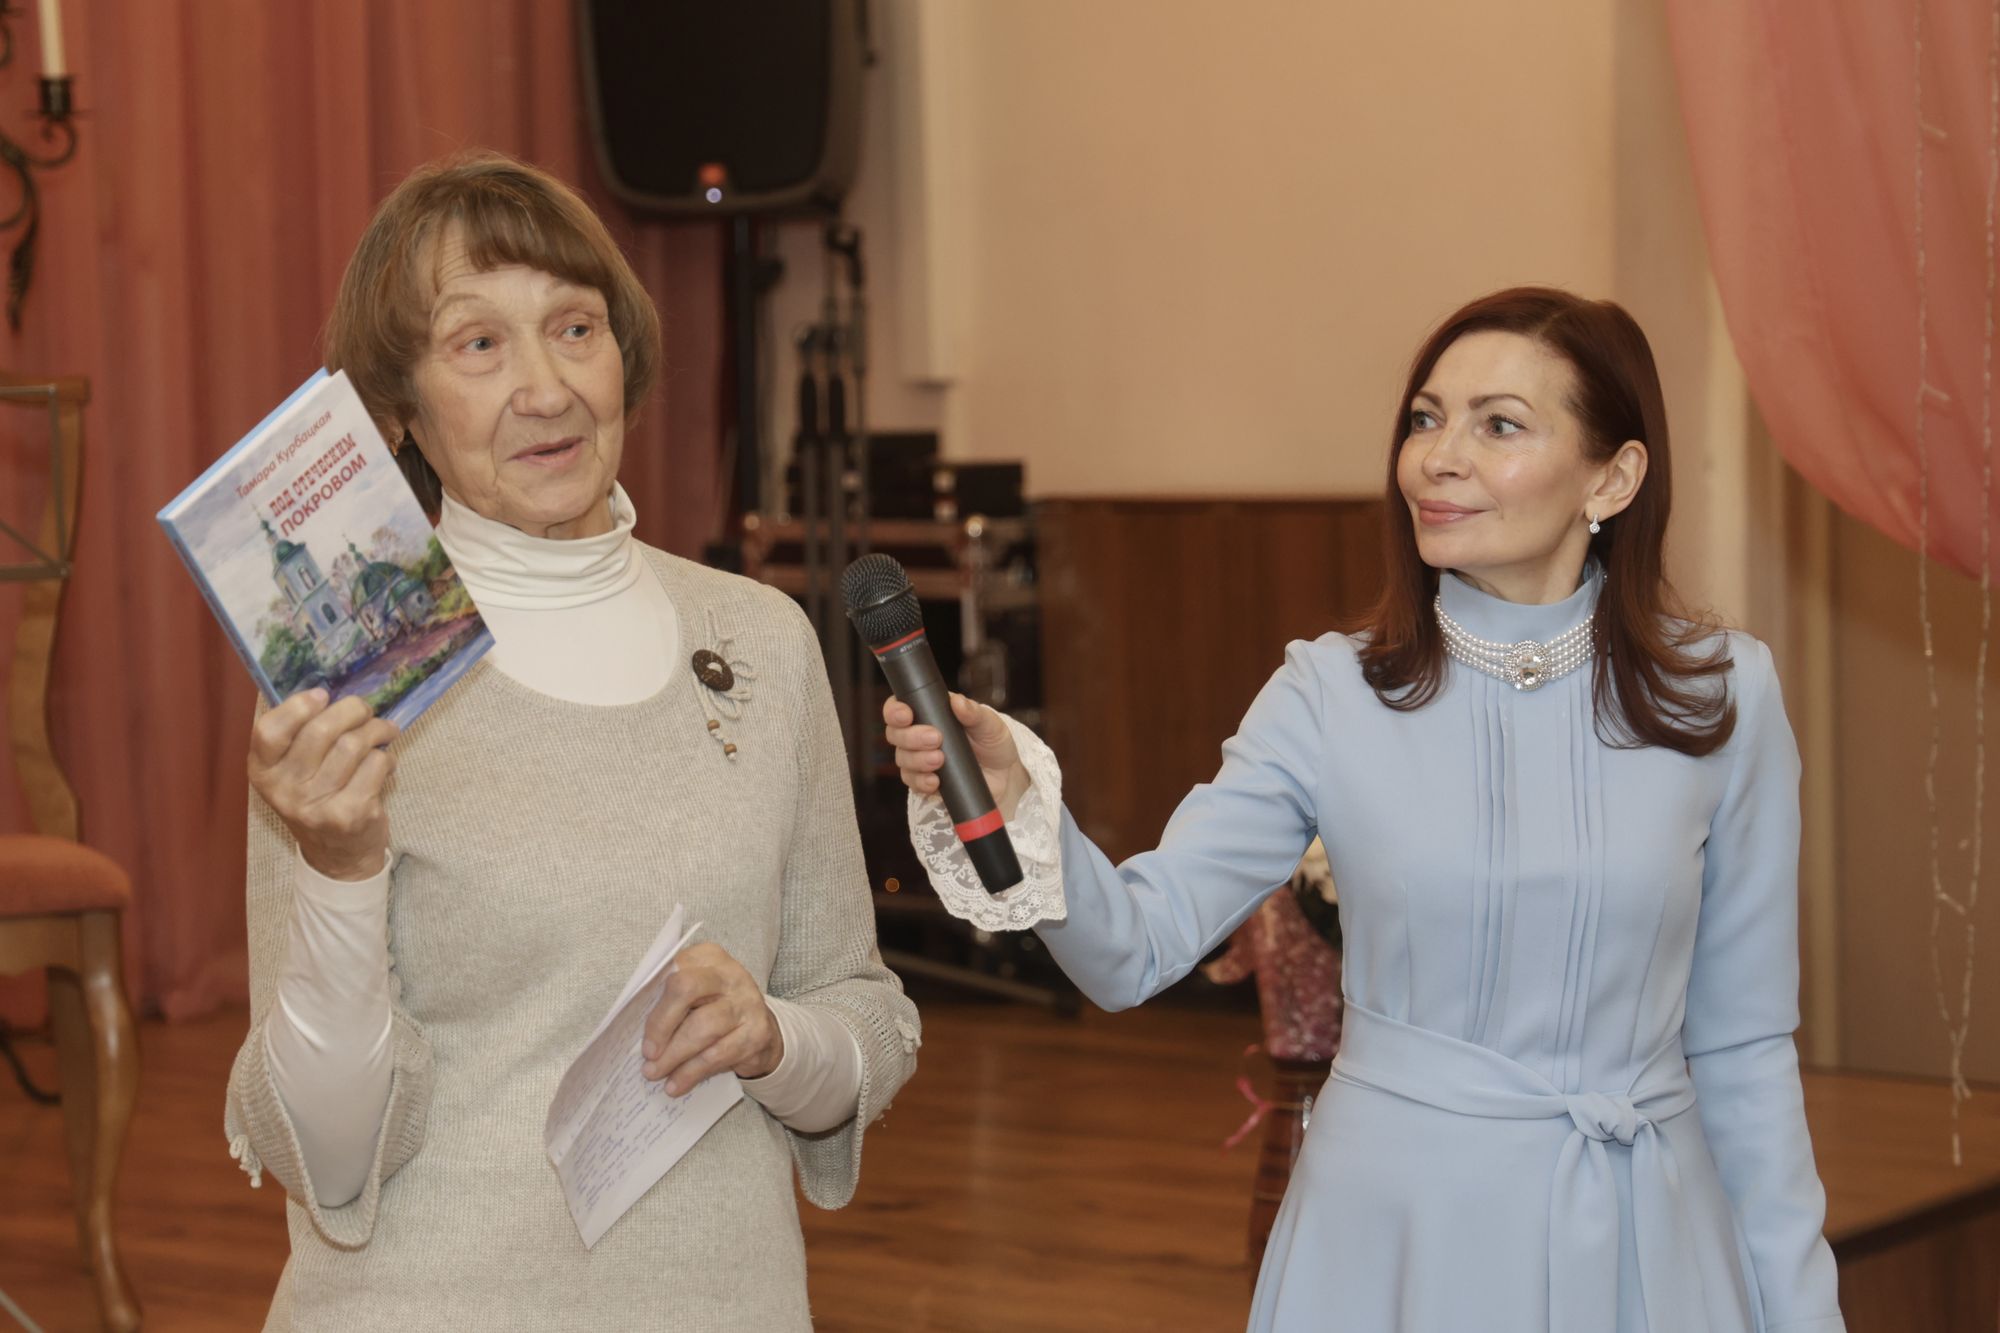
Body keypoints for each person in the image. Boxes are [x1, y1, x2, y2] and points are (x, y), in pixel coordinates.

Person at [886, 289, 1844, 1332]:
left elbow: (1745, 1051)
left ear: (1610, 476)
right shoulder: (1328, 694)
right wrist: (1021, 801)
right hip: (1391, 1238)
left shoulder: (1721, 695)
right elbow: (1131, 950)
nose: (1437, 457)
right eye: (1425, 418)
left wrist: (1803, 1312)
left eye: (1499, 425)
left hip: (1647, 1242)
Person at [224, 151, 919, 1331]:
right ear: (398, 410)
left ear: (623, 357)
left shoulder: (757, 638)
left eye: (574, 328)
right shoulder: (349, 672)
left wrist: (774, 1039)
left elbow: (859, 1015)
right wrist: (338, 868)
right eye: (477, 344)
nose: (543, 388)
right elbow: (328, 1160)